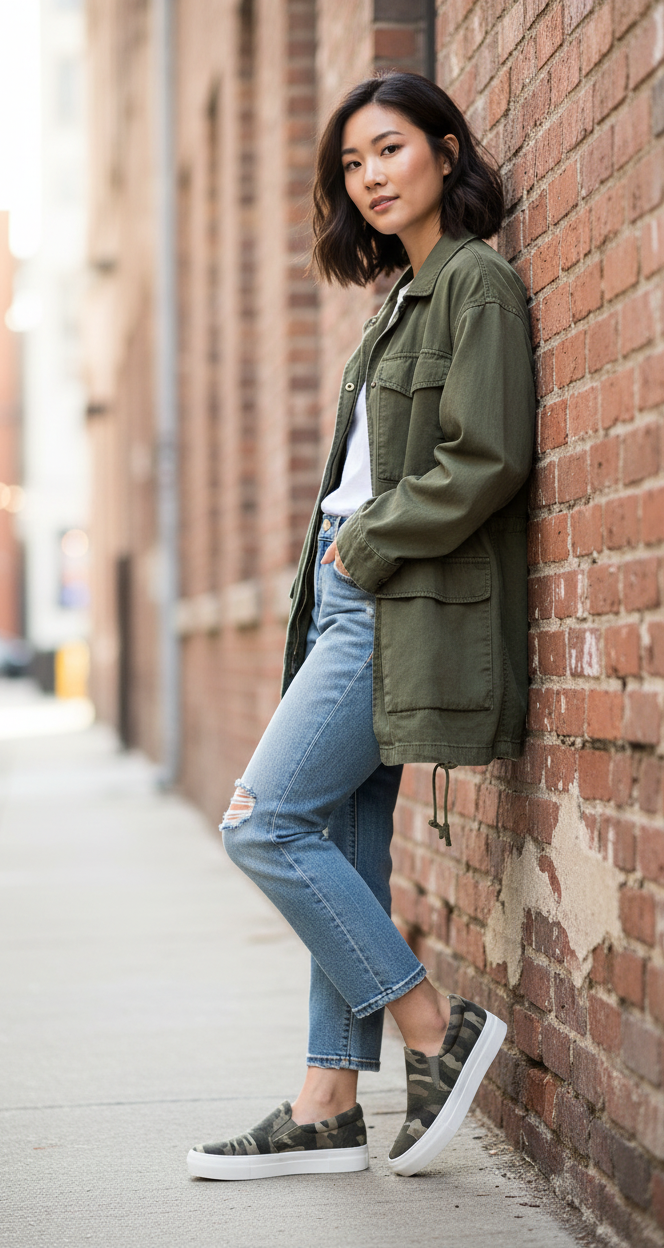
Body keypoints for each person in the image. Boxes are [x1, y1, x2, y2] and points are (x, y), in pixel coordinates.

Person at [187, 70, 536, 1181]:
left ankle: (436, 1029)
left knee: (262, 821)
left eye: (387, 149)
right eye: (351, 163)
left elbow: (486, 458)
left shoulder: (472, 284)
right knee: (337, 841)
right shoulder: (398, 303)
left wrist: (368, 544)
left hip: (390, 596)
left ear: (442, 150)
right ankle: (326, 1101)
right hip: (352, 592)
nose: (370, 176)